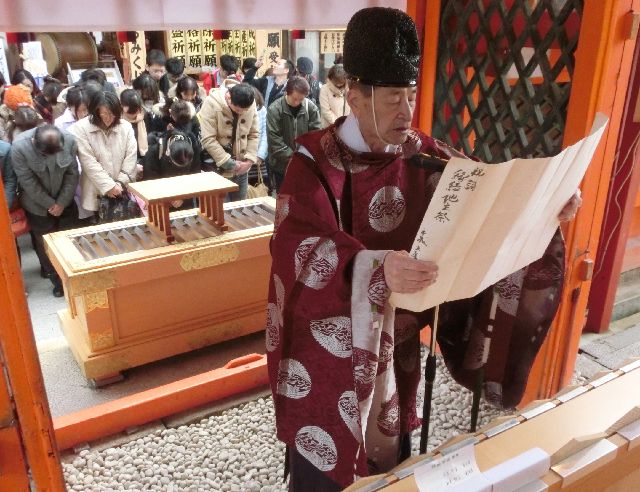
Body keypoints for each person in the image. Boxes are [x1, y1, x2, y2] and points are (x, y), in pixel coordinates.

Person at [265, 7, 582, 490]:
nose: (407, 112)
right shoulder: (312, 163)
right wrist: (373, 268)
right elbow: (297, 248)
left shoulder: (422, 153)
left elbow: (487, 197)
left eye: (410, 95)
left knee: (390, 464)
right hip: (327, 351)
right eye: (393, 98)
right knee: (323, 472)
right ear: (354, 94)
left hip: (396, 340)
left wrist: (543, 208)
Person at [11, 125, 79, 297]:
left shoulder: (69, 139)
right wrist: (50, 204)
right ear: (34, 143)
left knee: (70, 241)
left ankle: (75, 277)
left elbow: (72, 174)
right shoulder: (19, 147)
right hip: (37, 206)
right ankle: (57, 280)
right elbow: (27, 181)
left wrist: (62, 202)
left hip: (65, 202)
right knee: (46, 246)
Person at [71, 90, 137, 220]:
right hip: (95, 190)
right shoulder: (80, 128)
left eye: (112, 114)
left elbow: (131, 157)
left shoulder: (126, 127)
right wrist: (109, 186)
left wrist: (120, 184)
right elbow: (88, 161)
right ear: (95, 112)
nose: (108, 117)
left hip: (123, 189)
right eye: (104, 113)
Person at [198, 82, 258, 201]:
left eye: (245, 110)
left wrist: (250, 160)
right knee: (220, 211)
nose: (241, 113)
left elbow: (254, 134)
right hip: (218, 169)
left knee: (241, 207)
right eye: (237, 109)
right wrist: (228, 162)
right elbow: (208, 139)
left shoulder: (250, 102)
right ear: (228, 97)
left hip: (242, 168)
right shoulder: (211, 103)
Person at [266, 76, 321, 192]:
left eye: (301, 99)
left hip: (305, 164)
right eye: (294, 98)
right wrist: (295, 157)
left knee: (303, 198)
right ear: (287, 92)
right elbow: (274, 140)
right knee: (284, 198)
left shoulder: (310, 108)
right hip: (282, 164)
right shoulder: (275, 109)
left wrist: (305, 156)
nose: (297, 102)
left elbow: (315, 136)